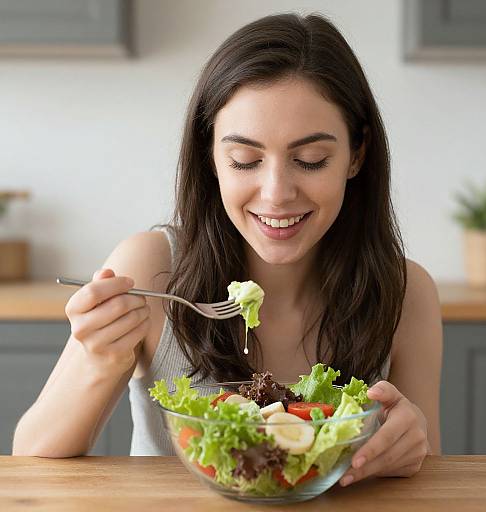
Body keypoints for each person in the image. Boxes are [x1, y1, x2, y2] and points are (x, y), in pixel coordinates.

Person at [12, 12, 442, 487]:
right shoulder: (151, 270)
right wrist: (97, 361)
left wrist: (411, 442)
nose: (276, 192)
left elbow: (427, 473)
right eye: (245, 161)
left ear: (356, 155)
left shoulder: (406, 292)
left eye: (310, 161)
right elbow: (30, 461)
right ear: (211, 158)